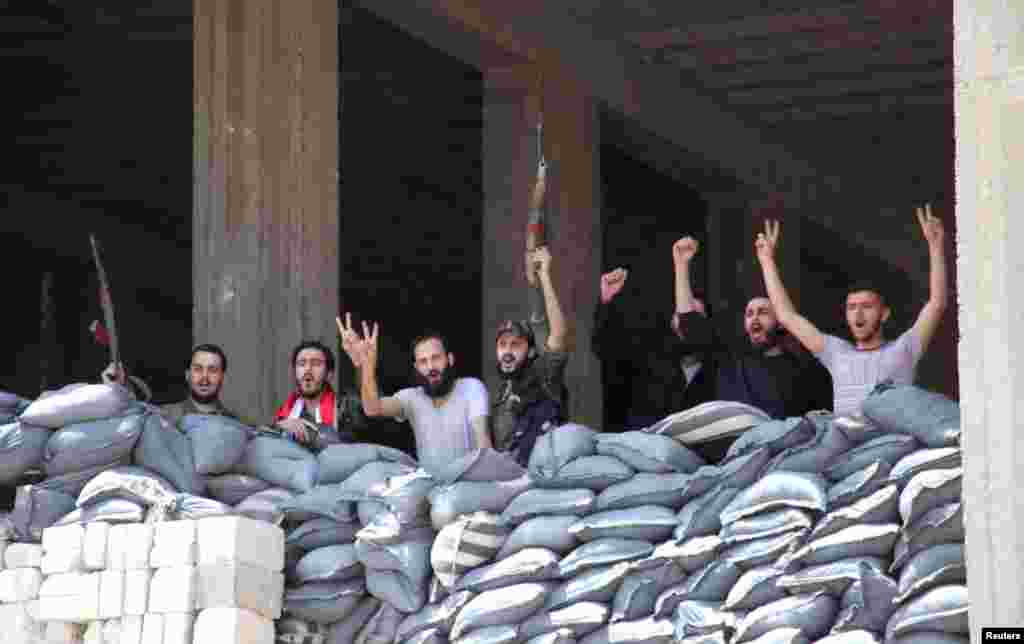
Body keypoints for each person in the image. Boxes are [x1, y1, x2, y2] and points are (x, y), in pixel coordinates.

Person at [755, 204, 948, 417]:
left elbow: (936, 304)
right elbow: (787, 316)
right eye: (852, 307)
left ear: (884, 314)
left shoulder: (903, 350)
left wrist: (936, 246)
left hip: (888, 437)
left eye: (867, 306)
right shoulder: (836, 352)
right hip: (845, 437)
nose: (858, 314)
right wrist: (766, 261)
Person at [674, 236, 833, 428]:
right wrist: (681, 265)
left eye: (763, 312)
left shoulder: (804, 371)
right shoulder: (729, 358)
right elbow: (690, 325)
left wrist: (767, 260)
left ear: (780, 322)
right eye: (749, 314)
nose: (754, 318)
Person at [337, 315, 491, 474]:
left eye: (436, 358)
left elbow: (483, 445)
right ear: (416, 367)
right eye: (423, 362)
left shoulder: (471, 387)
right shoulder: (412, 398)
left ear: (450, 359)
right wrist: (366, 365)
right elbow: (372, 409)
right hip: (430, 485)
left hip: (469, 483)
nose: (430, 367)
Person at [592, 239, 715, 432]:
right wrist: (606, 301)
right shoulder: (651, 357)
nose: (686, 318)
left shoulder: (717, 366)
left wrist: (681, 265)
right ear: (671, 321)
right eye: (681, 312)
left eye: (694, 315)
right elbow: (604, 348)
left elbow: (692, 331)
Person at [492, 245, 572, 465]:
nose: (507, 351)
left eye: (515, 345)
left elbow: (558, 334)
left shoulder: (544, 376)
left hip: (544, 476)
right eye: (502, 345)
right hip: (511, 478)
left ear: (531, 352)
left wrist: (544, 275)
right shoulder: (501, 394)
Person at [102, 343, 241, 426]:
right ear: (187, 375)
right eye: (198, 369)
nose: (204, 377)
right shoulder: (164, 415)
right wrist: (117, 390)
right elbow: (131, 418)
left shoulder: (235, 425)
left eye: (212, 370)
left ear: (222, 377)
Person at [271, 340, 357, 450]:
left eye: (316, 364)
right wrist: (280, 426)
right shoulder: (286, 410)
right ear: (295, 373)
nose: (307, 369)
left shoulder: (346, 406)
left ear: (329, 374)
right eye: (302, 364)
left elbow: (371, 415)